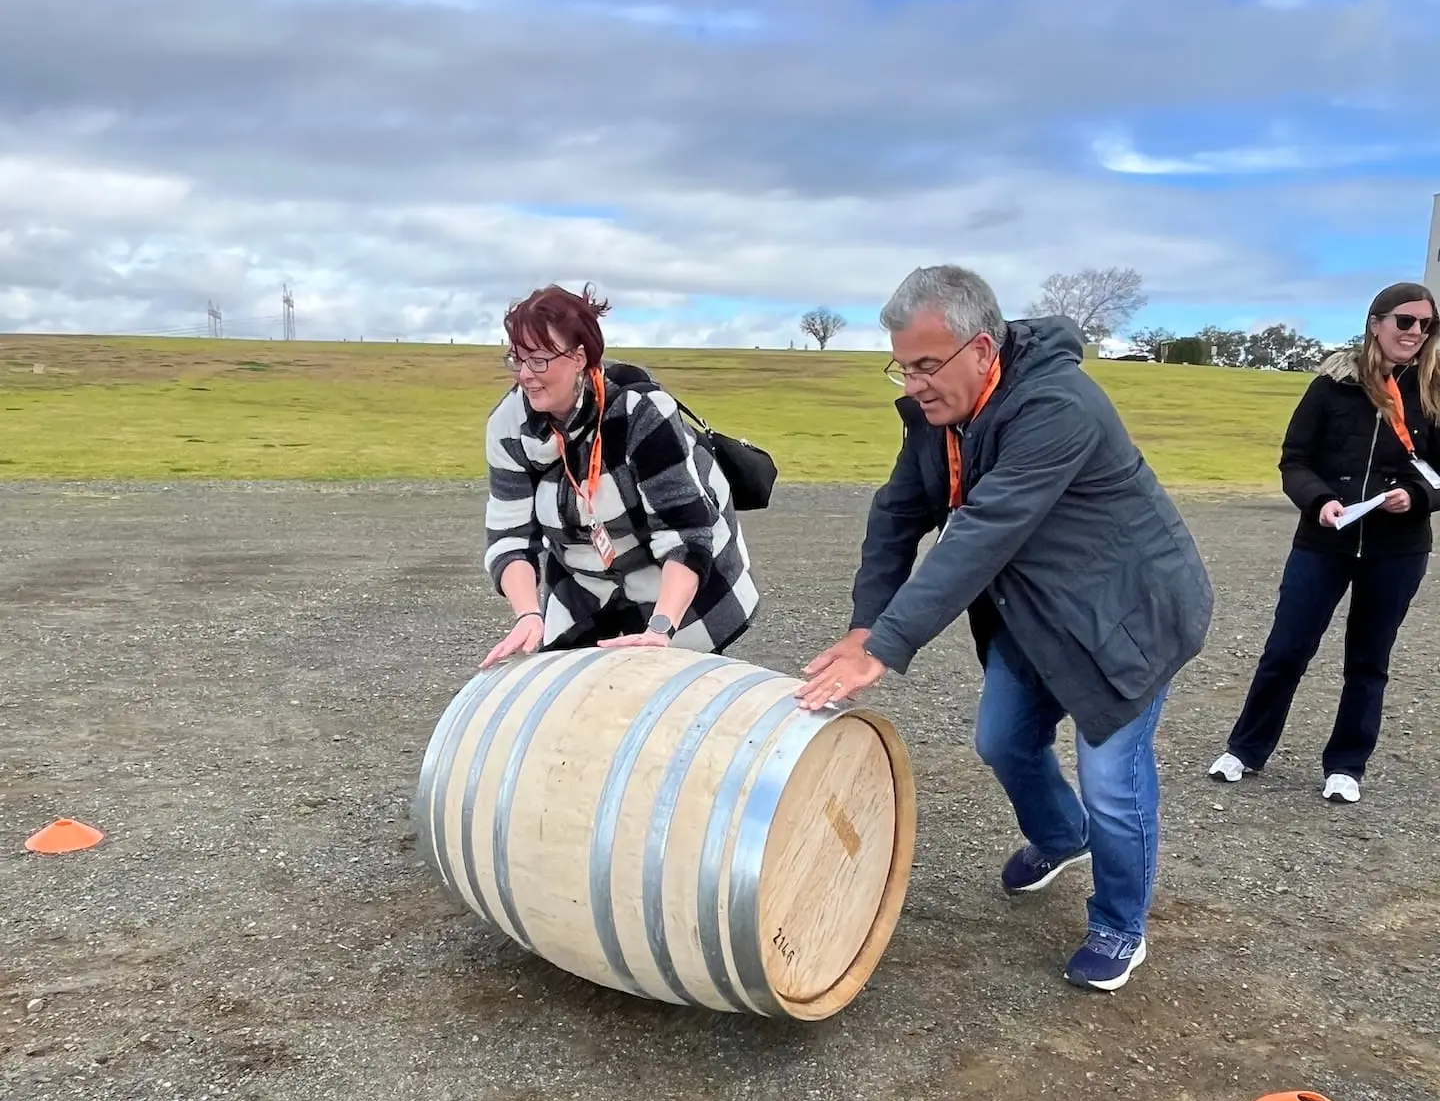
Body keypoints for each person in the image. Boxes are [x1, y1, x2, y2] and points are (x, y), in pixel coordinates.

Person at [797, 265, 1213, 993]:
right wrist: (866, 626)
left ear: (983, 349)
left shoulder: (1057, 406)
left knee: (1113, 779)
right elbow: (898, 515)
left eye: (928, 365)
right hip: (1038, 612)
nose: (914, 383)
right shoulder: (939, 420)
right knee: (1001, 739)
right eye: (903, 365)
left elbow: (984, 531)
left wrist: (889, 647)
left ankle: (1121, 923)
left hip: (1128, 614)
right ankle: (1062, 835)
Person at [1208, 282, 1440, 802]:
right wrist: (1318, 501)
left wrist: (1417, 496)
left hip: (1397, 550)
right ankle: (1245, 749)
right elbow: (1295, 458)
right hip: (1324, 541)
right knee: (1286, 650)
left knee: (1368, 660)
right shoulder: (1332, 385)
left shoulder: (1435, 391)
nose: (1417, 333)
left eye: (1427, 325)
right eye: (1406, 321)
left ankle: (1346, 765)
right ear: (1376, 322)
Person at [482, 283, 758, 665]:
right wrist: (528, 614)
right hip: (589, 587)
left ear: (579, 358)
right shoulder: (508, 425)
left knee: (665, 697)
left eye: (539, 360)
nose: (526, 374)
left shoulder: (640, 412)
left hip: (679, 588)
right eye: (518, 359)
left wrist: (660, 629)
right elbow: (510, 536)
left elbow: (685, 535)